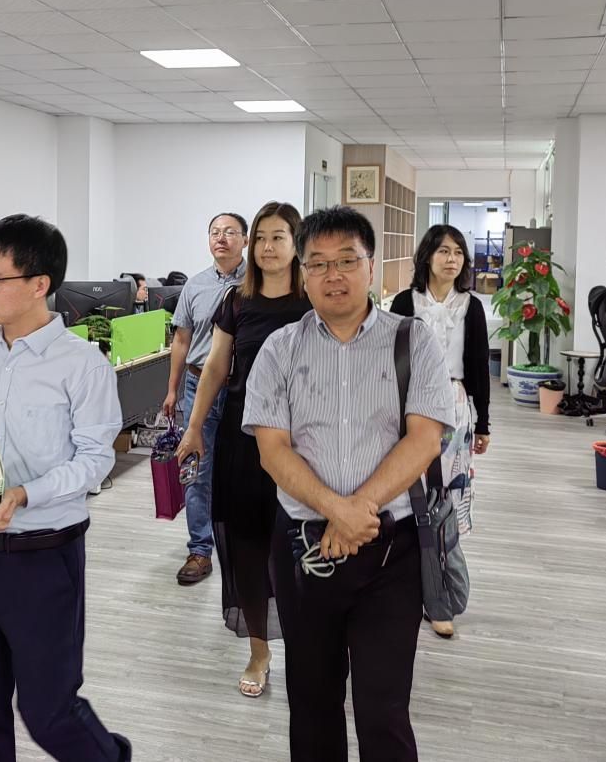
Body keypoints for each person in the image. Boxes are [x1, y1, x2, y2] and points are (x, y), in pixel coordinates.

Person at [244, 206, 451, 762]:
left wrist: (358, 509)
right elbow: (272, 450)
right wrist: (335, 509)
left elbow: (424, 440)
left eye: (346, 261)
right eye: (318, 263)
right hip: (303, 552)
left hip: (391, 551)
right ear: (302, 272)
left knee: (383, 708)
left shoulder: (414, 341)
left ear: (372, 266)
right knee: (312, 702)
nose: (332, 275)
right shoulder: (279, 349)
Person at [0, 214, 130, 762]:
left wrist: (26, 495)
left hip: (44, 555)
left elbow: (95, 460)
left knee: (49, 712)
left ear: (39, 284)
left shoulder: (82, 365)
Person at [176, 202, 312, 698]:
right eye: (262, 238)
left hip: (304, 441)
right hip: (242, 437)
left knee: (302, 546)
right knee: (249, 548)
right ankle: (259, 651)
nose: (268, 247)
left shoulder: (313, 300)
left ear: (297, 244)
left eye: (279, 237)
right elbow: (216, 367)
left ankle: (312, 646)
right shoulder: (236, 300)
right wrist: (194, 428)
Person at [389, 224, 491, 640]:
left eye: (458, 253)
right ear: (427, 256)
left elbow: (479, 365)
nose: (452, 259)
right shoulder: (404, 302)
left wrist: (483, 423)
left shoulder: (471, 306)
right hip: (408, 404)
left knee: (444, 500)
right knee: (405, 496)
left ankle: (441, 596)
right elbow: (389, 361)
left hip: (454, 406)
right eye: (444, 251)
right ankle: (403, 589)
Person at [161, 212, 248, 585]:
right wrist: (172, 388)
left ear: (245, 240)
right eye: (215, 232)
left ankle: (245, 547)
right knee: (196, 468)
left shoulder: (259, 284)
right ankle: (199, 549)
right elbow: (181, 340)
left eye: (230, 232)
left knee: (246, 469)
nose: (221, 238)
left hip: (244, 386)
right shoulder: (194, 286)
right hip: (198, 386)